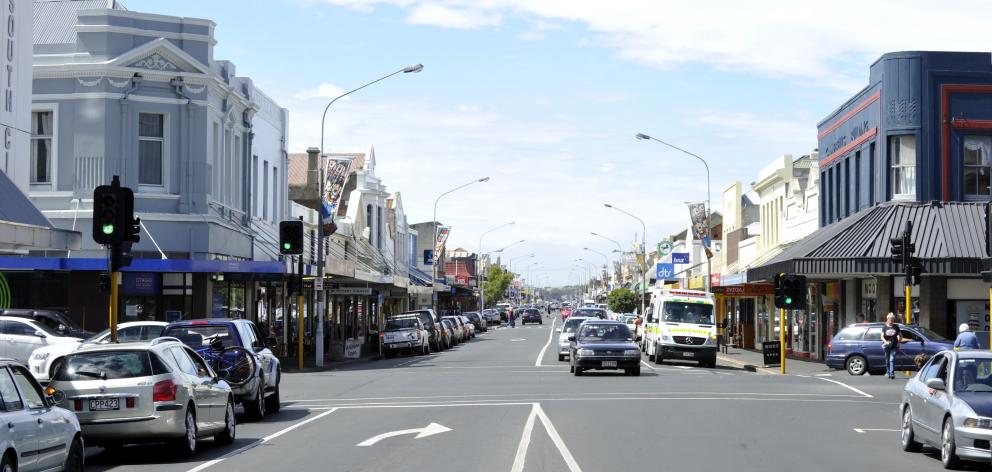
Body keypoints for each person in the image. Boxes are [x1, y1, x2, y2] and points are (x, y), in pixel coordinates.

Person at [881, 313, 909, 379]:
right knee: (887, 360)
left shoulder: (896, 326)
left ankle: (892, 373)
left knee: (892, 359)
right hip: (886, 346)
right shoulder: (884, 327)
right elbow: (882, 336)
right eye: (890, 319)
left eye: (892, 319)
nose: (891, 320)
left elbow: (901, 336)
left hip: (894, 346)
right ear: (887, 319)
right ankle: (888, 372)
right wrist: (885, 342)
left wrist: (898, 342)